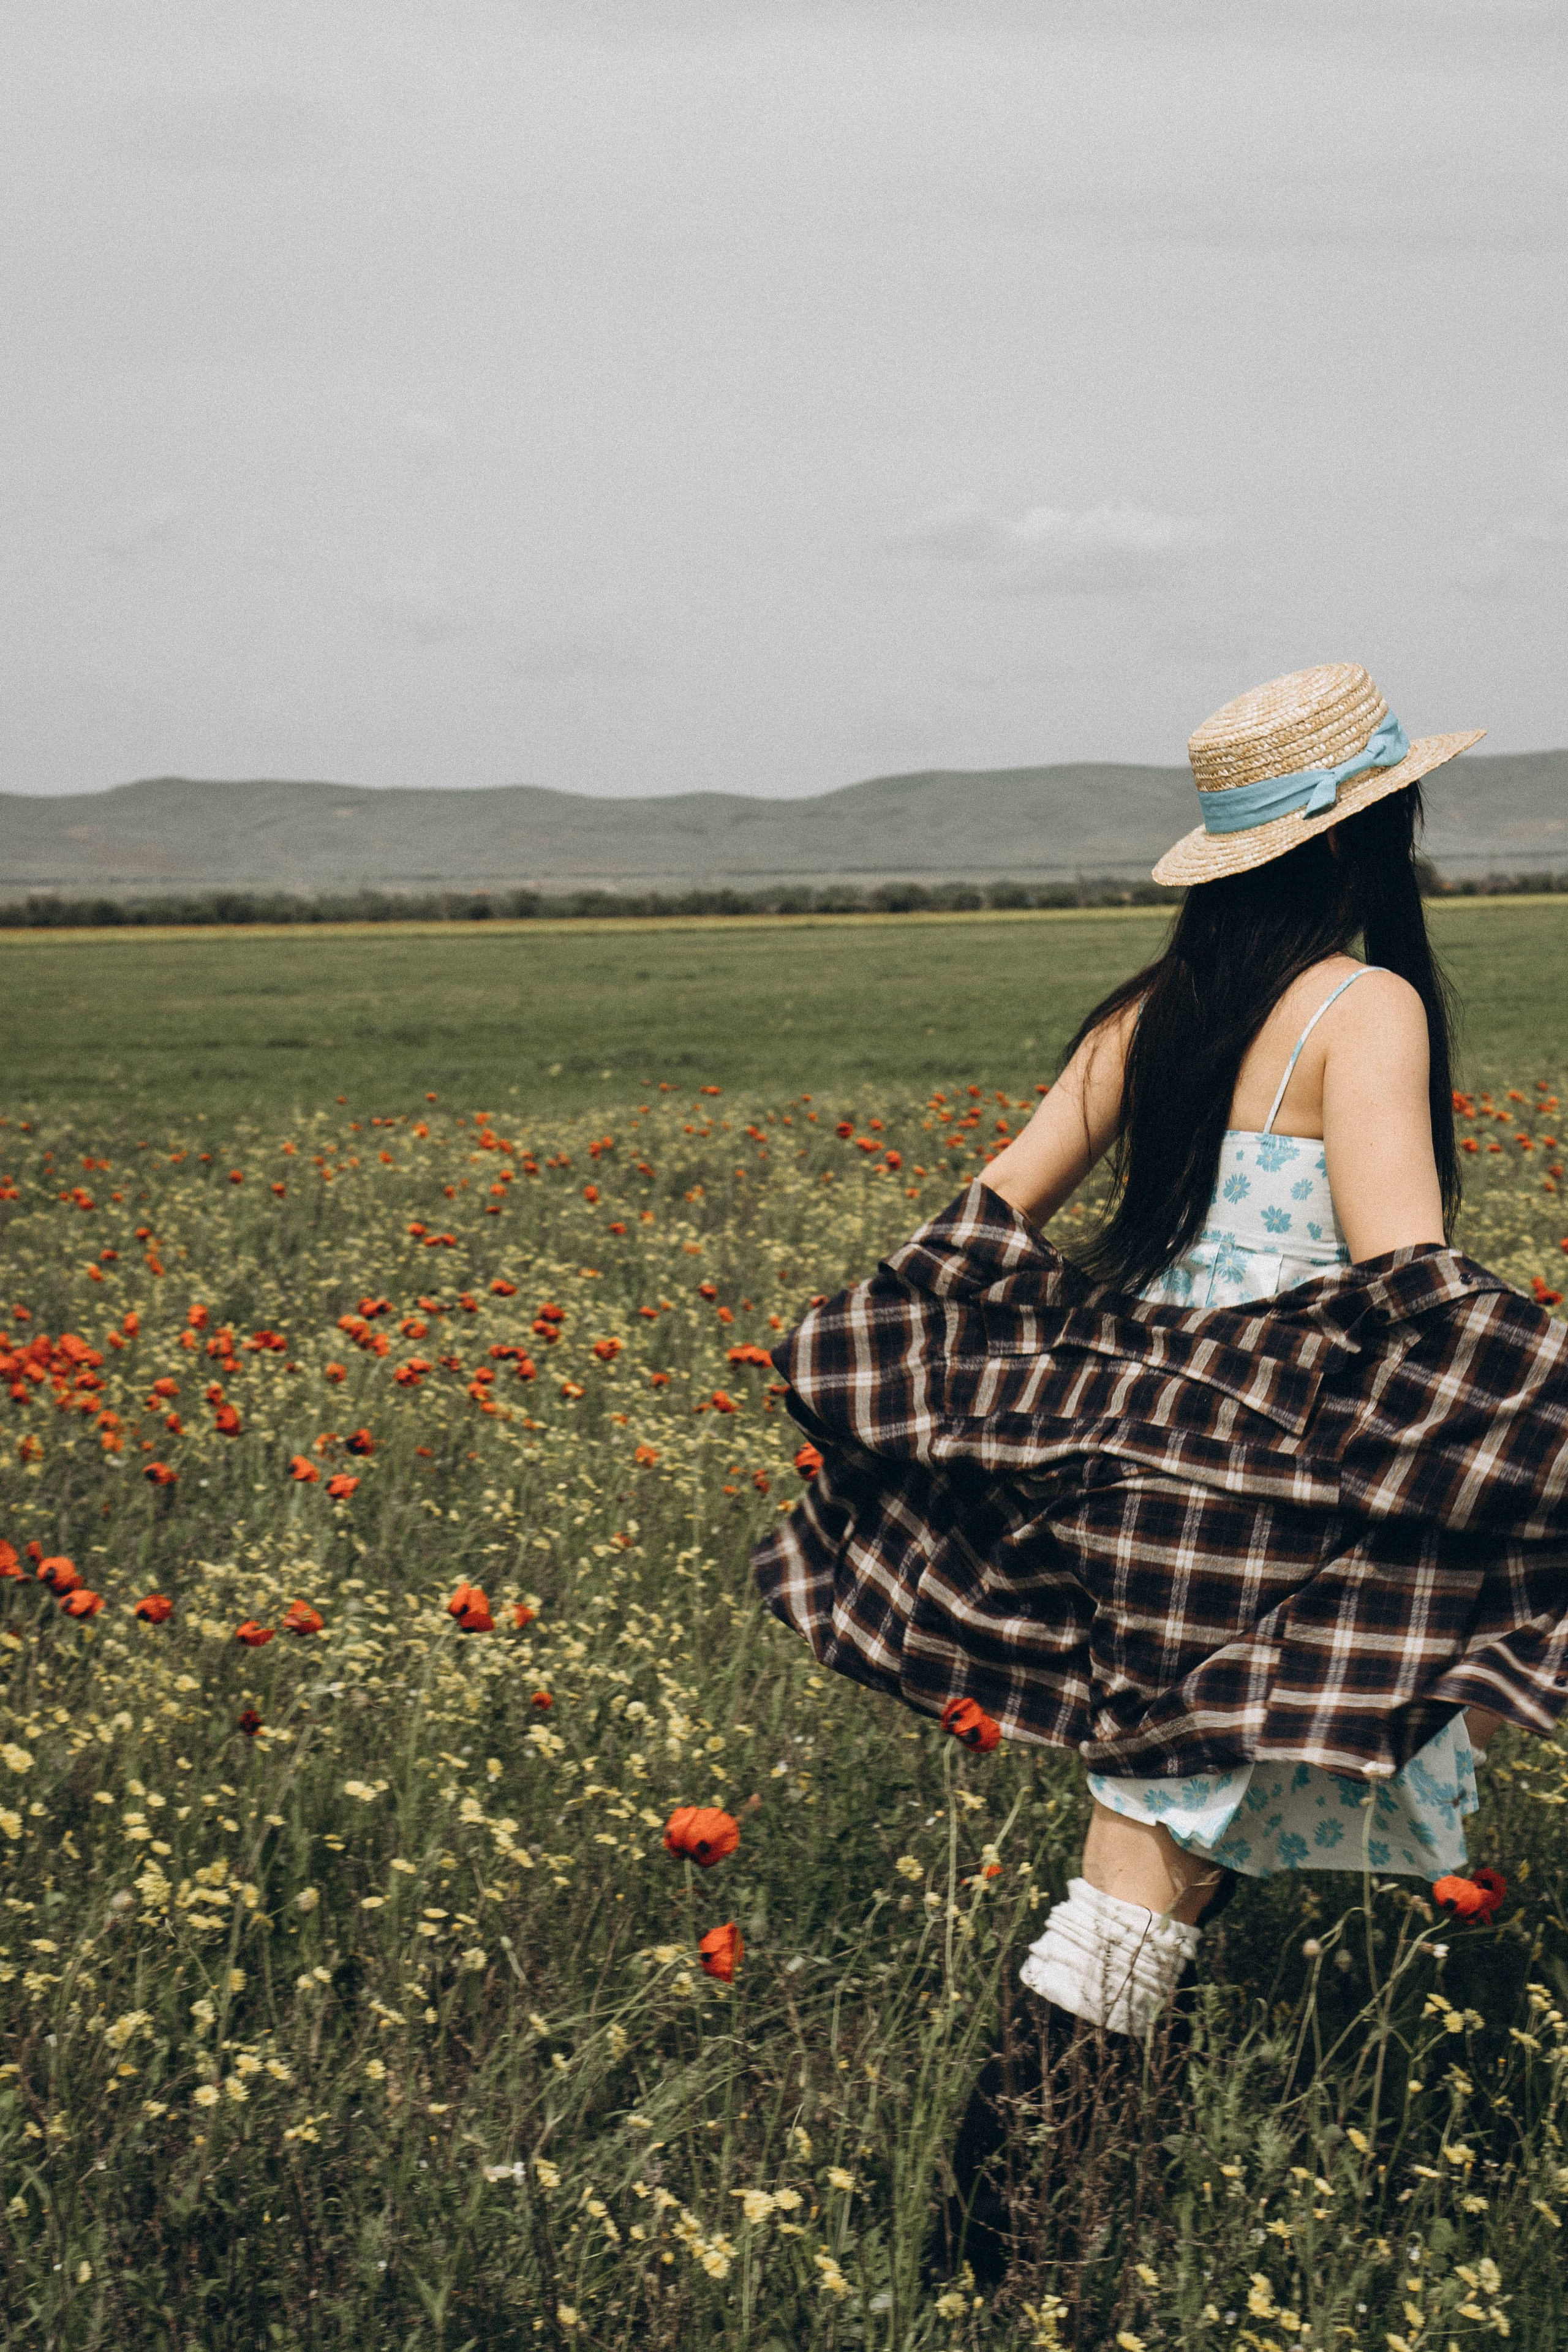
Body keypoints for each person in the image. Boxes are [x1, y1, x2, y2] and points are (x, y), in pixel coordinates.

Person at [753, 662, 1568, 2267]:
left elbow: (980, 1224)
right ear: (1365, 836)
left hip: (1136, 1474)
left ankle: (1043, 2232)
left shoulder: (1153, 1013)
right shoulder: (1365, 1009)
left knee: (1175, 1847)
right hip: (1275, 1496)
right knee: (1143, 1864)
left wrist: (940, 1390)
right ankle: (992, 2250)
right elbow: (1406, 1284)